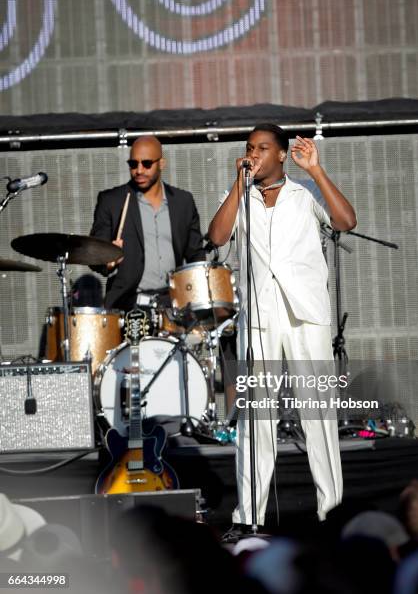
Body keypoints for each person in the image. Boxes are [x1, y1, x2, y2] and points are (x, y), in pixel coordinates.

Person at [208, 124, 357, 535]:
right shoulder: (240, 197)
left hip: (306, 316)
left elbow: (345, 220)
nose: (254, 154)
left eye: (262, 148)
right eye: (249, 148)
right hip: (260, 320)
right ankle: (248, 517)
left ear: (280, 155)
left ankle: (332, 513)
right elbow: (217, 236)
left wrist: (318, 171)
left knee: (319, 417)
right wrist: (238, 183)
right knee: (256, 420)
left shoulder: (304, 194)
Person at [90, 135, 205, 311]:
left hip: (173, 301)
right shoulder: (112, 201)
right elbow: (93, 254)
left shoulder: (183, 201)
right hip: (128, 302)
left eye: (147, 163)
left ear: (162, 163)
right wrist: (107, 259)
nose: (139, 170)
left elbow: (196, 255)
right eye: (133, 164)